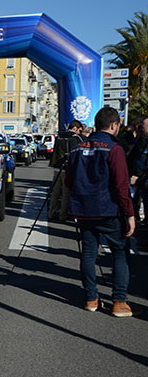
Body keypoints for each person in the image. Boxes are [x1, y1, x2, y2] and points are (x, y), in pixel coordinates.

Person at [65, 107, 135, 317]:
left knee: (88, 253)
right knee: (120, 253)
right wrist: (130, 213)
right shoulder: (114, 149)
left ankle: (91, 298)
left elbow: (69, 181)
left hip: (83, 210)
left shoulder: (77, 148)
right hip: (109, 209)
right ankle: (119, 301)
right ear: (114, 125)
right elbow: (122, 185)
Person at [48, 120, 83, 221]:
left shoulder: (60, 136)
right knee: (66, 193)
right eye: (79, 130)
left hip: (56, 167)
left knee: (55, 192)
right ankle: (62, 215)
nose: (79, 133)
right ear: (75, 128)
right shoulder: (75, 138)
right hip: (68, 169)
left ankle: (51, 212)